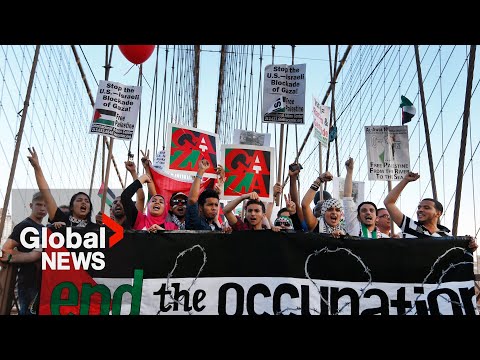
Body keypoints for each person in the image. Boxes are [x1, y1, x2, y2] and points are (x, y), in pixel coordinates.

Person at [384, 172, 478, 250]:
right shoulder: (410, 226)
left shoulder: (447, 237)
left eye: (426, 208)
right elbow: (389, 203)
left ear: (438, 213)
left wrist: (469, 247)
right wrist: (405, 180)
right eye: (419, 207)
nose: (420, 210)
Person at [27, 147, 98, 230]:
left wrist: (106, 220)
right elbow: (46, 195)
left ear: (90, 208)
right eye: (79, 200)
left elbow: (117, 233)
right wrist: (37, 168)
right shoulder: (61, 220)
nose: (83, 202)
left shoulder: (96, 228)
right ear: (71, 207)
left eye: (87, 201)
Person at [0, 192, 45, 315]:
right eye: (39, 204)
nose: (42, 209)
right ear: (31, 205)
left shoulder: (44, 228)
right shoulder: (24, 226)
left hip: (41, 281)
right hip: (28, 280)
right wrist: (31, 257)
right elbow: (6, 249)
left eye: (46, 206)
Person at [343, 157, 388, 238]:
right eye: (364, 211)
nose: (368, 213)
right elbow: (347, 196)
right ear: (358, 217)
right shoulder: (353, 228)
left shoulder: (385, 238)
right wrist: (349, 172)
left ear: (377, 218)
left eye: (371, 211)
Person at [301, 171, 346, 238]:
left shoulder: (346, 230)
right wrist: (319, 180)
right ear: (323, 212)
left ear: (341, 214)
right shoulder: (316, 225)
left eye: (337, 210)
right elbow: (305, 205)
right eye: (330, 209)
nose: (334, 212)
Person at [186, 159, 221, 231]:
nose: (214, 208)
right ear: (200, 208)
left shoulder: (217, 227)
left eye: (216, 205)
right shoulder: (196, 222)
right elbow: (192, 200)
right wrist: (201, 171)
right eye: (210, 205)